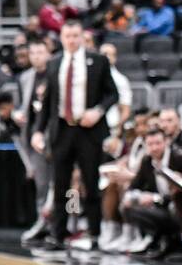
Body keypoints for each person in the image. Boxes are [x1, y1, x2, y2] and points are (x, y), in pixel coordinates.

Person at [31, 20, 120, 251]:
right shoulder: (54, 63)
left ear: (82, 37)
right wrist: (38, 131)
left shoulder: (98, 61)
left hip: (88, 130)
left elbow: (113, 94)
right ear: (61, 37)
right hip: (62, 129)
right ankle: (58, 235)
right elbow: (48, 102)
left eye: (75, 36)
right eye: (67, 36)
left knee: (90, 184)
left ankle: (94, 234)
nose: (71, 40)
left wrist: (98, 111)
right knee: (61, 185)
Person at [119, 127, 182, 258]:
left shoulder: (181, 157)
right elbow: (134, 186)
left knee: (175, 205)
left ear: (166, 142)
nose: (154, 148)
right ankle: (154, 239)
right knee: (127, 206)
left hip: (180, 205)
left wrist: (155, 198)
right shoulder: (147, 160)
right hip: (161, 206)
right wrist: (135, 197)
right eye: (150, 144)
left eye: (158, 143)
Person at [16, 38, 53, 244]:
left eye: (41, 52)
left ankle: (70, 225)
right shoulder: (25, 78)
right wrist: (20, 114)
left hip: (55, 137)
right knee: (42, 185)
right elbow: (27, 105)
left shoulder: (55, 73)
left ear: (48, 53)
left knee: (65, 186)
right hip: (33, 138)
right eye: (33, 53)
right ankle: (43, 222)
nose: (37, 56)